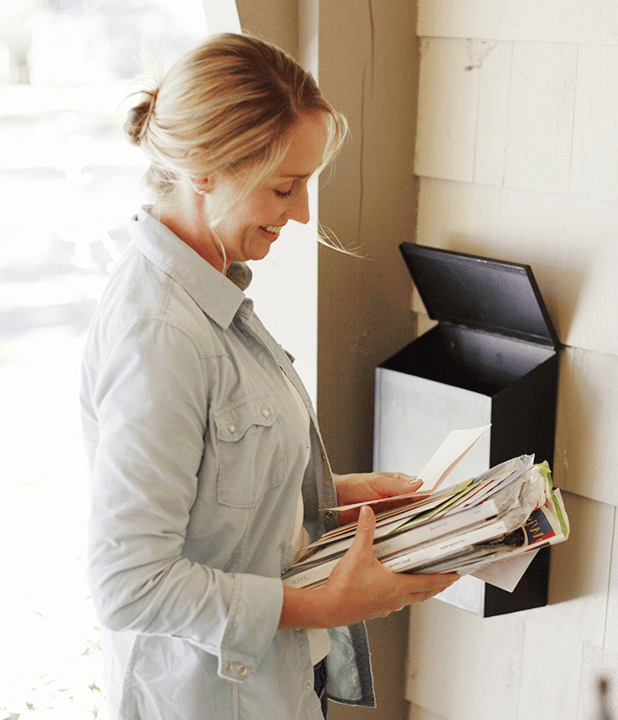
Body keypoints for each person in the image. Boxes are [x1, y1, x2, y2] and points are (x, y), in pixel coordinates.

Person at [79, 33, 459, 720]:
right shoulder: (162, 335)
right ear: (203, 169)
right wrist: (327, 605)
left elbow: (211, 491)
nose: (303, 212)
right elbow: (130, 584)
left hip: (271, 687)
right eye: (284, 186)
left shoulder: (213, 297)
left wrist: (336, 500)